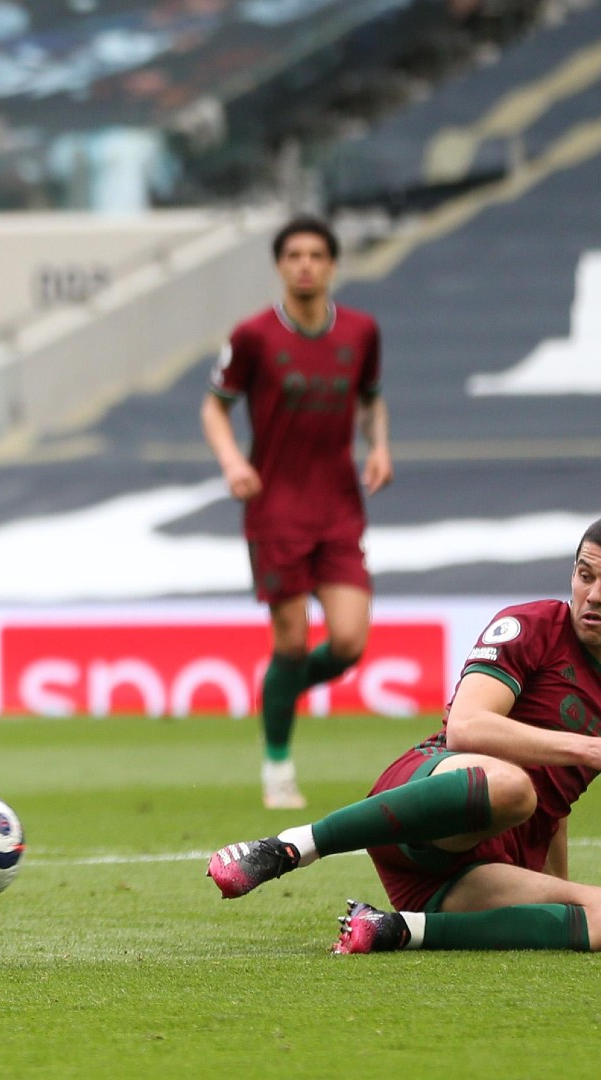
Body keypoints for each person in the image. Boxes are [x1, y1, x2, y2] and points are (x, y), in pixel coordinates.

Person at [207, 514, 601, 954]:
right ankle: (290, 847)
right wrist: (592, 748)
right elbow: (466, 728)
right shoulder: (531, 626)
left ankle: (395, 929)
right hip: (429, 803)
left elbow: (558, 799)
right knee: (513, 787)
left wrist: (556, 890)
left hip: (472, 868)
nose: (593, 595)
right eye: (584, 575)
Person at [200, 215, 392, 810]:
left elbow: (371, 398)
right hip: (275, 509)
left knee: (348, 640)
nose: (305, 264)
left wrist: (380, 444)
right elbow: (214, 407)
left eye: (316, 255)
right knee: (289, 642)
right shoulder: (254, 336)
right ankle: (278, 766)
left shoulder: (362, 331)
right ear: (280, 266)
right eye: (294, 255)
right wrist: (234, 462)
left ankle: (275, 693)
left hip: (338, 505)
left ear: (333, 265)